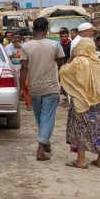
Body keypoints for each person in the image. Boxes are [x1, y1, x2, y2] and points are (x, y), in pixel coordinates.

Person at [20, 17, 65, 161]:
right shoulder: (55, 45)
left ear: (34, 29)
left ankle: (45, 142)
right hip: (51, 87)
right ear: (47, 29)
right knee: (47, 118)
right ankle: (41, 147)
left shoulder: (25, 46)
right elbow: (62, 66)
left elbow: (24, 68)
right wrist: (63, 84)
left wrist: (22, 88)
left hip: (34, 87)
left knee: (41, 118)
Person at [59, 38, 100, 169]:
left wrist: (71, 56)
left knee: (80, 130)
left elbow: (63, 71)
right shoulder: (99, 62)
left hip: (81, 103)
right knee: (99, 130)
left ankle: (81, 160)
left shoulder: (78, 62)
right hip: (99, 102)